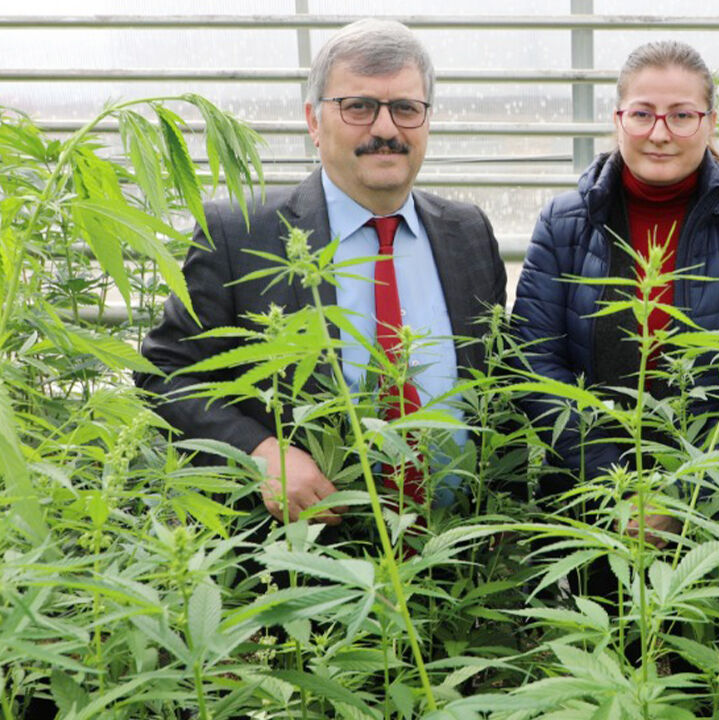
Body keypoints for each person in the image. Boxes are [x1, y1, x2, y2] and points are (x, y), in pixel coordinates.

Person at [136, 19, 506, 525]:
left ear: (427, 119)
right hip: (303, 556)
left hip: (457, 557)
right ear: (313, 121)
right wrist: (260, 451)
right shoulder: (239, 232)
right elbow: (165, 371)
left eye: (405, 108)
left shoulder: (468, 232)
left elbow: (498, 379)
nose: (385, 129)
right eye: (358, 107)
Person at [511, 40, 719, 539]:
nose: (660, 134)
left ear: (709, 123)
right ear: (618, 119)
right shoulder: (565, 223)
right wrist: (614, 486)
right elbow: (535, 362)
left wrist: (684, 497)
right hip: (591, 506)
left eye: (681, 115)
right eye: (643, 114)